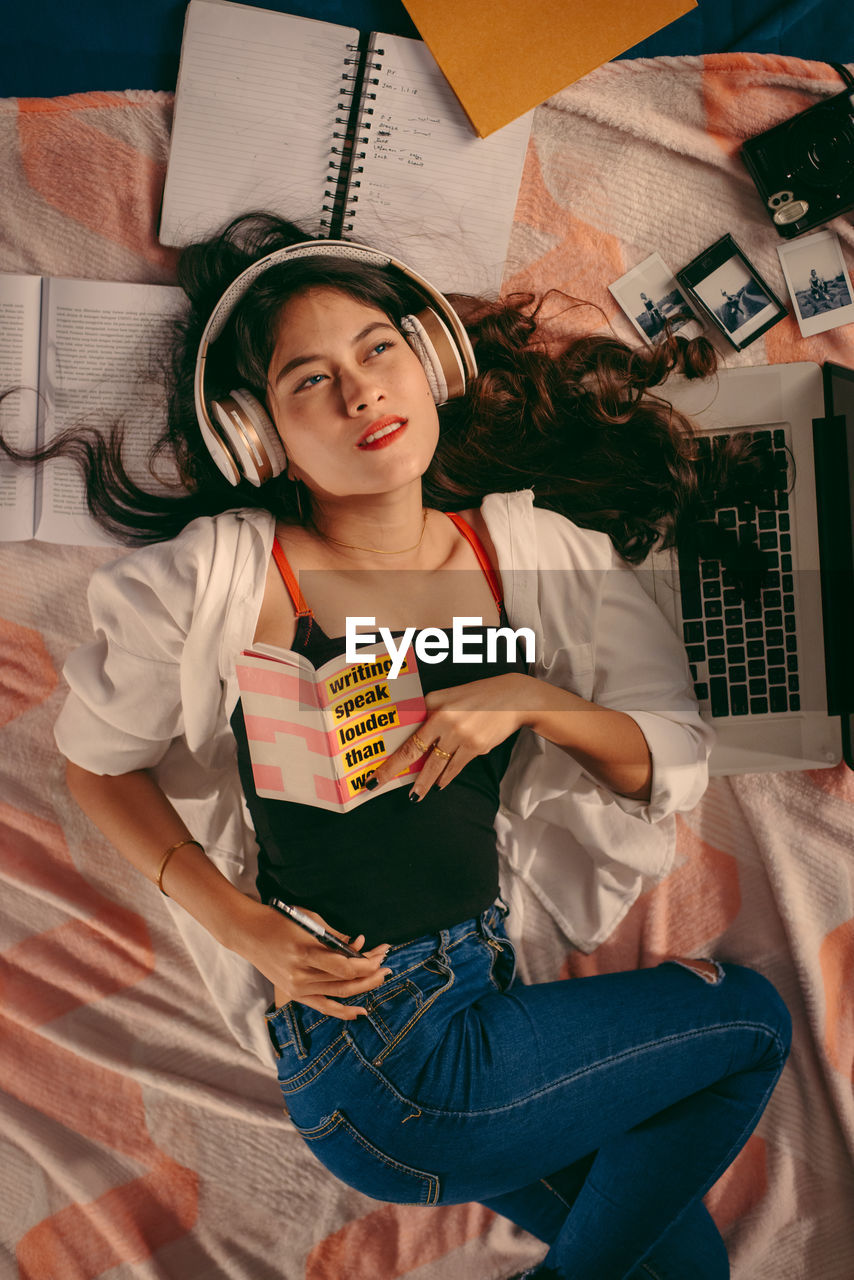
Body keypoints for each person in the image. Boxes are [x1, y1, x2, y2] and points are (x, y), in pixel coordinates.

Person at [29, 213, 790, 1279]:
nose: (358, 394)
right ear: (261, 436)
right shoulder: (221, 583)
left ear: (430, 360)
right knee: (749, 1022)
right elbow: (93, 760)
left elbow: (667, 755)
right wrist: (240, 923)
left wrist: (526, 697)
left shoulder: (534, 554)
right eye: (308, 381)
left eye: (377, 350)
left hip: (473, 1007)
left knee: (681, 1267)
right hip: (377, 1048)